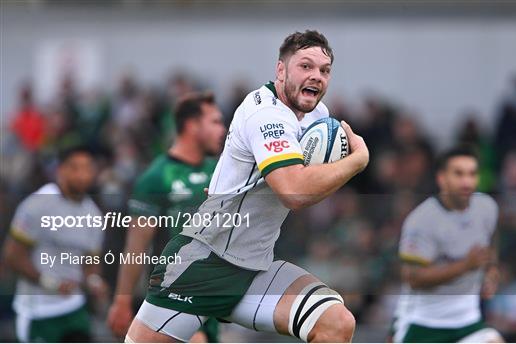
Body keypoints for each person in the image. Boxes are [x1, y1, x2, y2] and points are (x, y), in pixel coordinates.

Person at [126, 30, 370, 343]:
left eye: (324, 70)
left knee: (336, 323)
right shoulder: (266, 113)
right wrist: (356, 161)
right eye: (305, 66)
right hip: (203, 265)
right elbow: (293, 192)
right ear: (280, 70)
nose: (316, 76)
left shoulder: (318, 117)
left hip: (254, 269)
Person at [107, 92, 226, 342]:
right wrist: (122, 300)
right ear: (192, 126)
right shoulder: (157, 177)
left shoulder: (218, 171)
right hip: (175, 293)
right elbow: (136, 247)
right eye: (215, 122)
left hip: (213, 293)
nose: (222, 130)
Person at [393, 146, 504, 343]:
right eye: (459, 174)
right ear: (442, 179)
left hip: (467, 321)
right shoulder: (422, 220)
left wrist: (491, 271)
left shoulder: (487, 208)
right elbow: (413, 277)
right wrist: (466, 265)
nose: (466, 182)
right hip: (423, 323)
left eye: (472, 174)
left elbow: (490, 246)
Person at [2, 146, 108, 342]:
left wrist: (94, 283)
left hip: (73, 307)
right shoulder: (38, 204)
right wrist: (48, 282)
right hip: (38, 310)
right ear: (60, 170)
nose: (81, 175)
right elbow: (12, 255)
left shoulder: (93, 214)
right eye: (74, 168)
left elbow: (90, 263)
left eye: (87, 168)